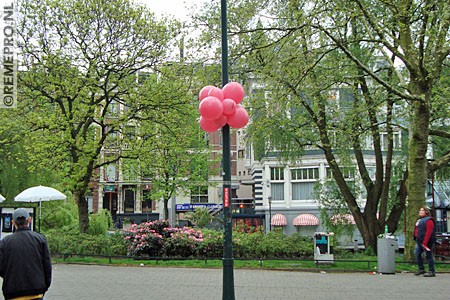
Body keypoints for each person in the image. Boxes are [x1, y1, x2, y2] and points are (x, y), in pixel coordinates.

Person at [0, 208, 52, 299]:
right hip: (36, 291)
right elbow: (47, 267)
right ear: (29, 220)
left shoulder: (5, 242)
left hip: (13, 292)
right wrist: (44, 286)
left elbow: (1, 268)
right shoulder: (40, 239)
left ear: (13, 222)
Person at [413, 207, 436, 277]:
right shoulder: (420, 220)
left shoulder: (429, 220)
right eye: (420, 210)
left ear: (426, 212)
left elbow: (429, 232)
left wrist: (425, 242)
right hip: (419, 240)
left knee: (428, 255)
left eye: (422, 210)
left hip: (426, 241)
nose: (420, 211)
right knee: (417, 253)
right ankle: (421, 269)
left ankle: (431, 271)